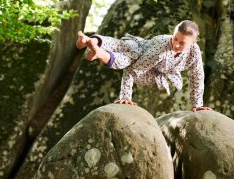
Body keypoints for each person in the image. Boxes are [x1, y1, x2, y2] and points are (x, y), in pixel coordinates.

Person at [76, 20, 212, 112]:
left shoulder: (194, 52)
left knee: (126, 52)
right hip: (142, 51)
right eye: (175, 38)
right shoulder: (161, 48)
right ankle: (90, 43)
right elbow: (132, 69)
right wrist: (125, 96)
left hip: (152, 69)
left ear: (192, 43)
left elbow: (197, 77)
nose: (176, 44)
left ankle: (92, 45)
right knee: (126, 55)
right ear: (174, 33)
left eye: (182, 43)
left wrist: (197, 104)